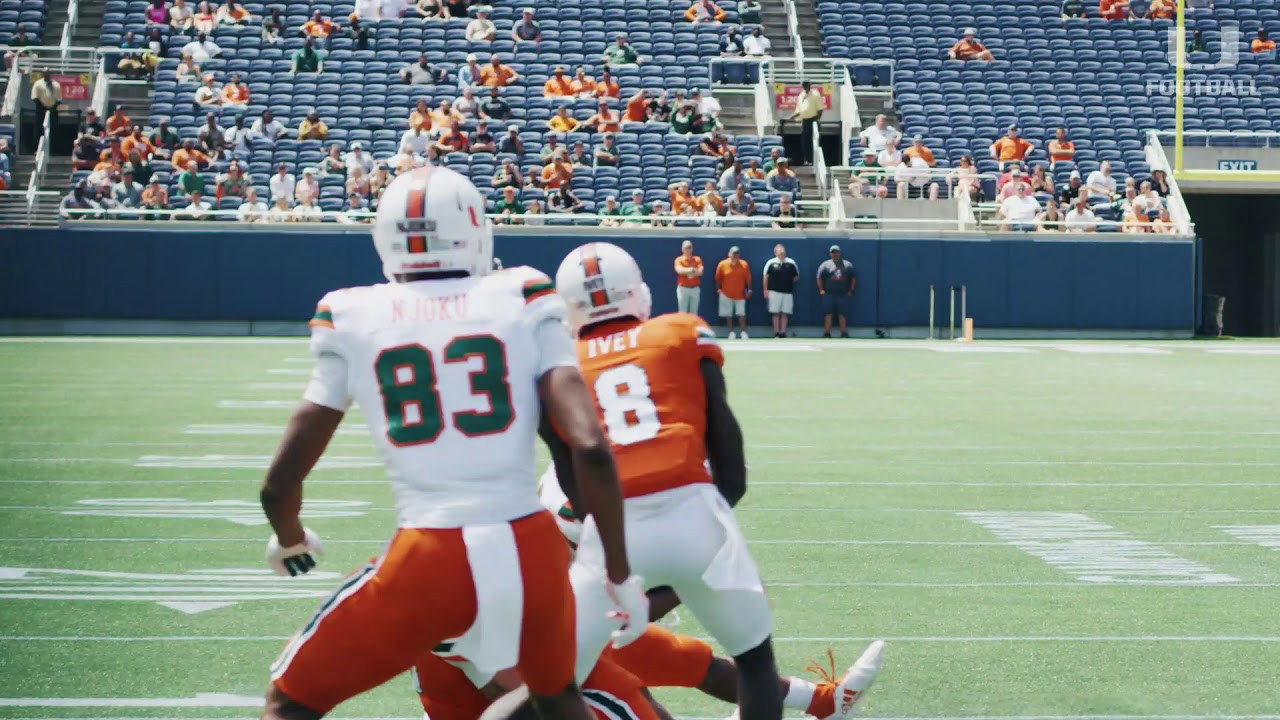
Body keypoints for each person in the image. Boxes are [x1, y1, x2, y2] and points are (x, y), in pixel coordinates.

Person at [257, 167, 644, 720]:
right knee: (558, 699)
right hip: (529, 546)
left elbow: (278, 485)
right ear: (476, 230)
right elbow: (587, 448)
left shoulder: (351, 313)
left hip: (429, 552)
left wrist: (291, 538)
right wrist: (618, 569)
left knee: (290, 703)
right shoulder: (522, 294)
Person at [549, 242, 867, 720]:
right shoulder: (681, 330)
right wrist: (716, 514)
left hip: (611, 533)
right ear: (639, 293)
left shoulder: (559, 366)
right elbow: (727, 444)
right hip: (693, 510)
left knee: (551, 686)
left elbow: (574, 478)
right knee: (755, 664)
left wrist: (614, 560)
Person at [816, 245, 856, 338]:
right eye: (833, 252)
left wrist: (851, 290)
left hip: (843, 294)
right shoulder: (825, 265)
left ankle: (843, 332)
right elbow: (819, 278)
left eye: (837, 252)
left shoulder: (847, 265)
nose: (835, 254)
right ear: (830, 254)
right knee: (828, 313)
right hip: (829, 294)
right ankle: (827, 333)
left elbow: (853, 278)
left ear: (840, 253)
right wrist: (821, 290)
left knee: (843, 314)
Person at [762, 244, 798, 338]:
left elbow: (796, 276)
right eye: (780, 251)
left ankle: (783, 332)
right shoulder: (771, 263)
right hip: (774, 292)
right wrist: (765, 290)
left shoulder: (791, 262)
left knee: (785, 313)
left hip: (787, 292)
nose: (782, 253)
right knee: (775, 312)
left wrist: (787, 282)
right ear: (776, 252)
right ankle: (777, 332)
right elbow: (765, 276)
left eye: (783, 251)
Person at [714, 246, 751, 339]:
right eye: (733, 254)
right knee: (728, 314)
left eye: (737, 254)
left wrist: (749, 289)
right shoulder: (722, 264)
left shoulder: (744, 264)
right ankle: (731, 333)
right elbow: (718, 278)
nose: (735, 256)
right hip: (726, 293)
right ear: (729, 254)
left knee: (741, 314)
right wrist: (719, 289)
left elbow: (748, 279)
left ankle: (743, 332)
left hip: (740, 294)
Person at [786, 81, 822, 166]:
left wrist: (816, 120)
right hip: (805, 121)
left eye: (807, 84)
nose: (806, 86)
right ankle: (807, 160)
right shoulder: (801, 95)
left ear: (810, 85)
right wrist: (791, 117)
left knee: (813, 142)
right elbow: (799, 110)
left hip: (813, 120)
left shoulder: (815, 94)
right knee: (805, 142)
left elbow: (820, 110)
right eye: (804, 85)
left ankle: (813, 161)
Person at [674, 240, 704, 315]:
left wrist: (687, 272)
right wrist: (692, 270)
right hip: (683, 289)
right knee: (682, 312)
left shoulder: (697, 259)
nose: (688, 250)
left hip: (695, 289)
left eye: (689, 247)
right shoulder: (679, 259)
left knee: (694, 313)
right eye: (686, 248)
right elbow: (679, 270)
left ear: (692, 248)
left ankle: (692, 327)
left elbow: (701, 272)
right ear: (682, 249)